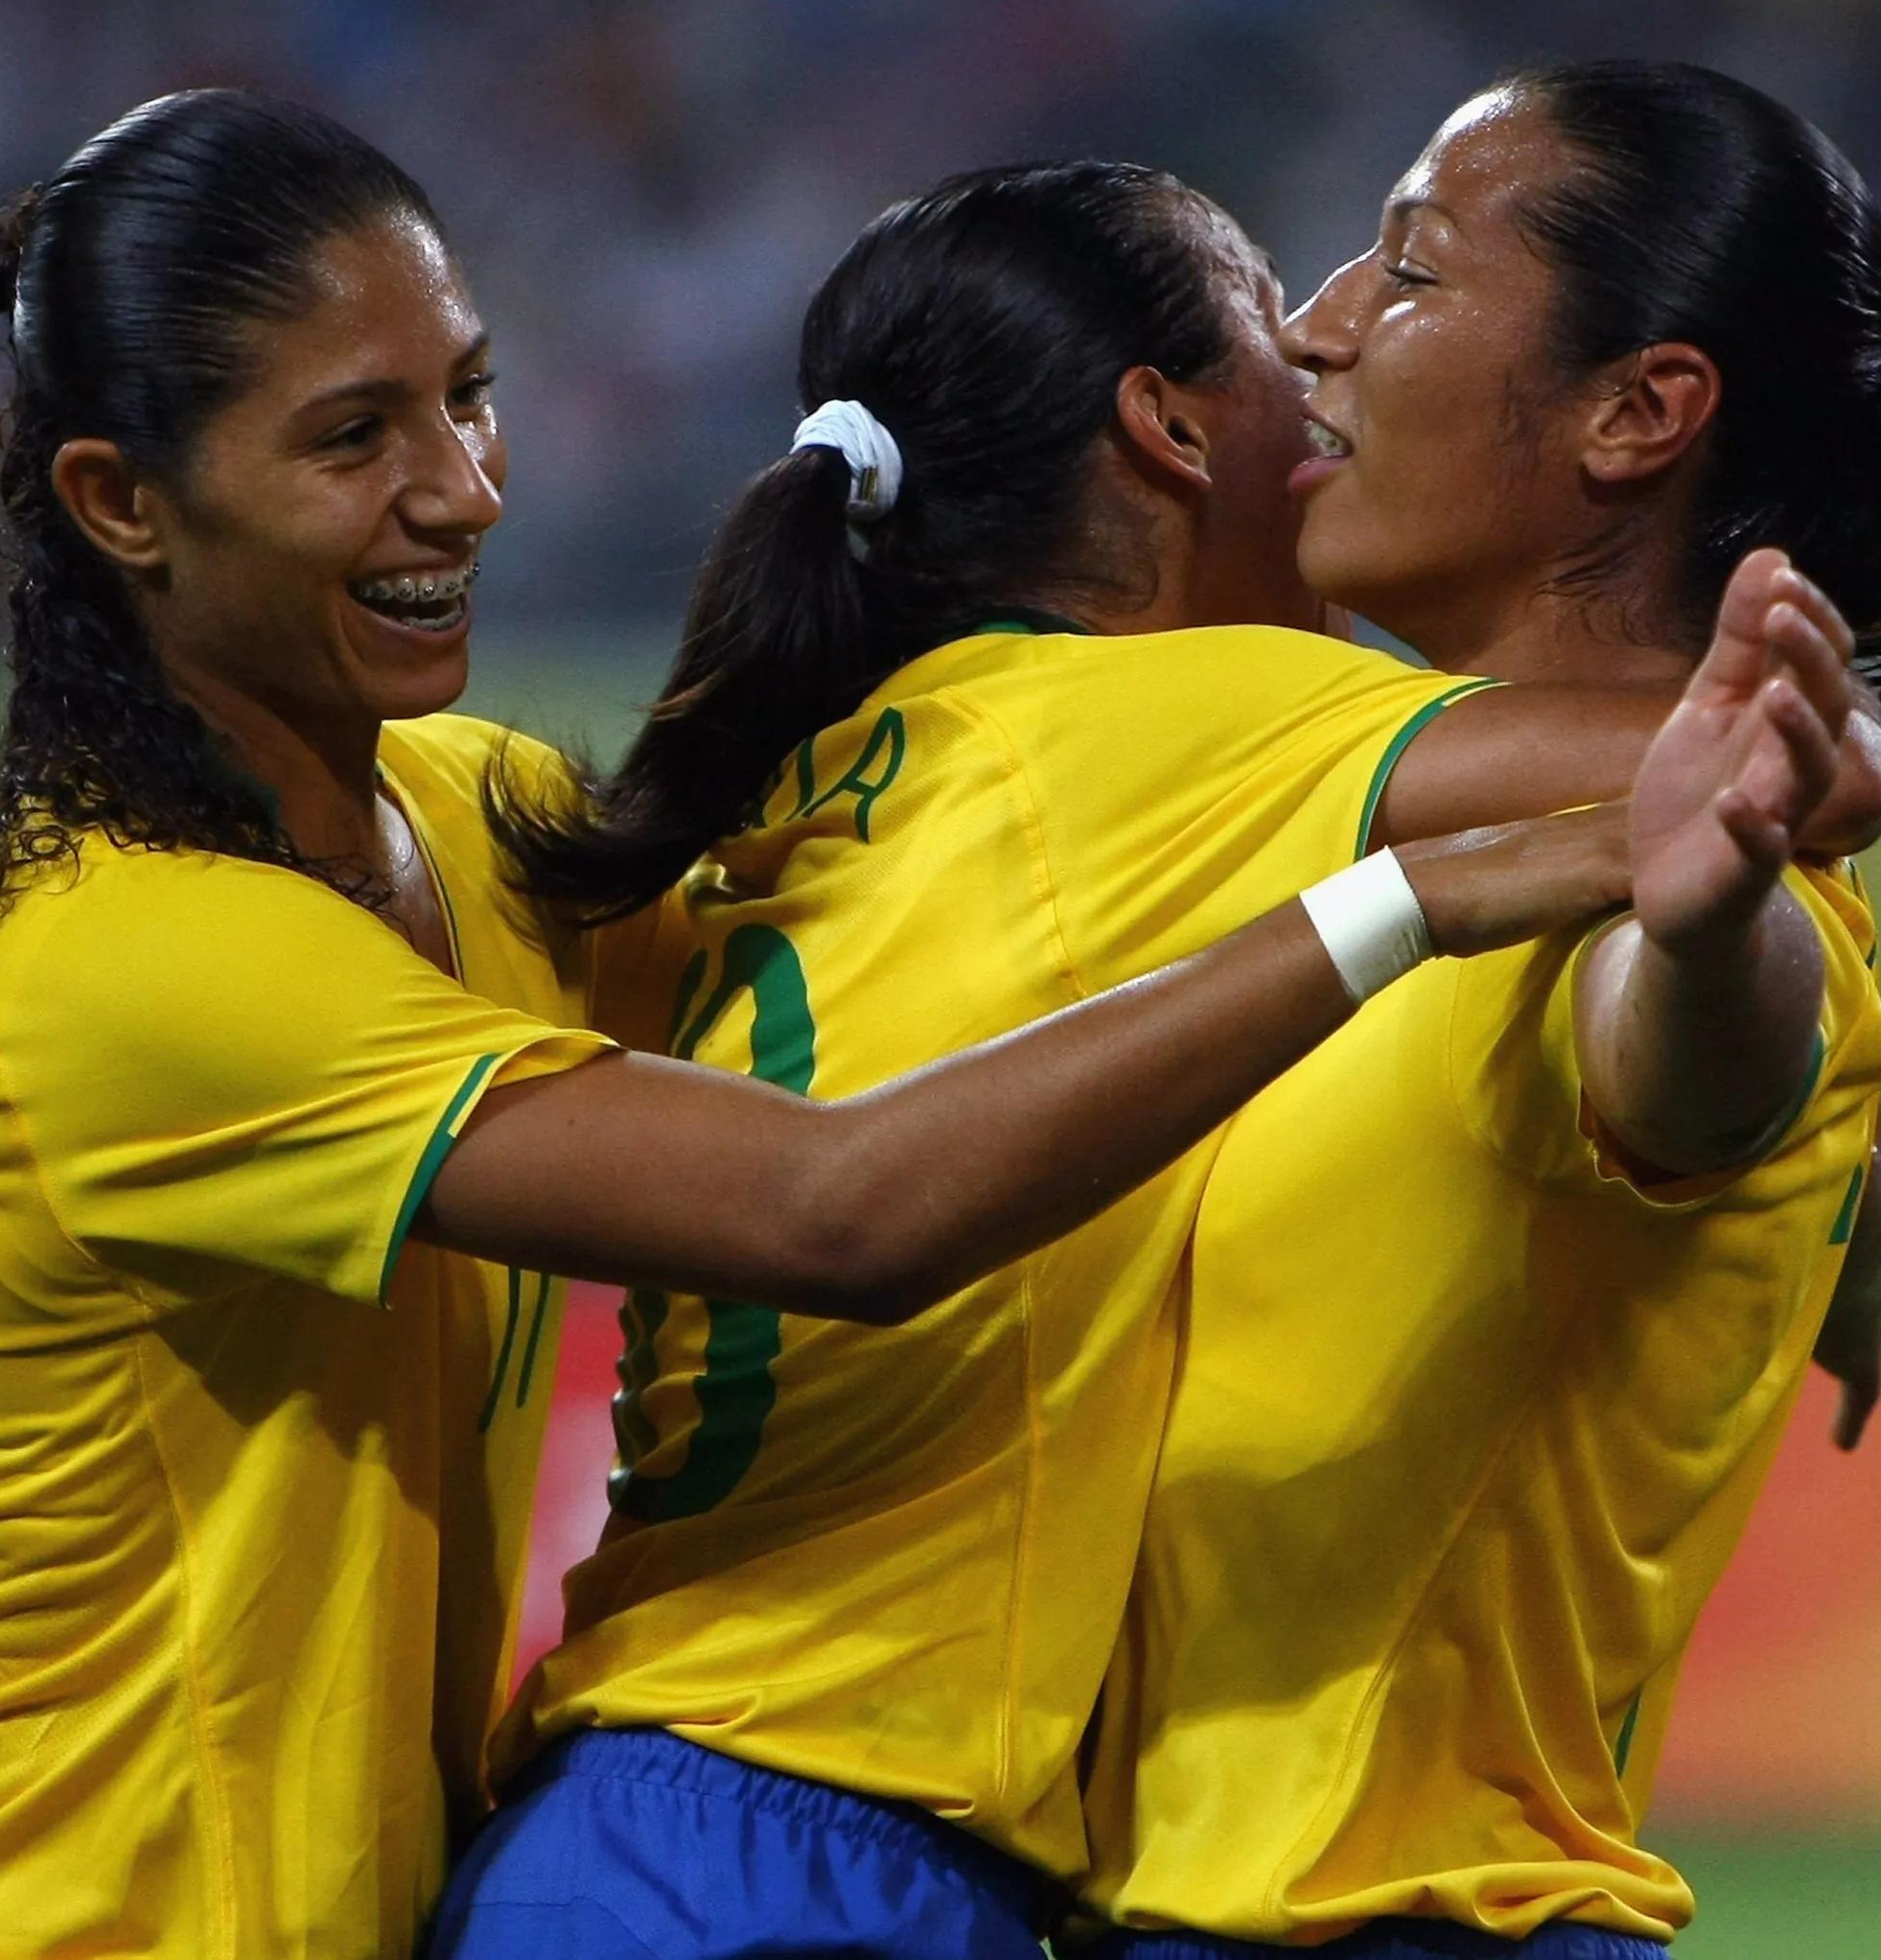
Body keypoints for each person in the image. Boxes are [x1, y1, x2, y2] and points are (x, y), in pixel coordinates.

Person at [0, 95, 1667, 1960]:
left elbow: (884, 967)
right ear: (119, 504)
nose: (464, 487)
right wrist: (1400, 898)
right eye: (353, 438)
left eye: (466, 396)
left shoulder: (462, 818)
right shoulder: (135, 955)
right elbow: (840, 1208)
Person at [431, 161, 1871, 1960]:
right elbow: (1732, 762)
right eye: (1277, 335)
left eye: (1395, 281)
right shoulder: (1193, 728)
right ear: (1173, 437)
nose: (1322, 348)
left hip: (656, 1809)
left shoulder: (837, 767)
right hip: (815, 1844)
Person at [1078, 62, 1881, 1960]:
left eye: (1411, 271)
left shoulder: (1691, 896)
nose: (1313, 326)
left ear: (1636, 410)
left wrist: (1698, 927)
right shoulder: (1379, 820)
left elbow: (1687, 1059)